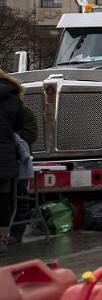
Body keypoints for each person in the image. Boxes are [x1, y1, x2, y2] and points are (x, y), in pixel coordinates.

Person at [0, 71, 25, 254]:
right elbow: (18, 126)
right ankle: (3, 238)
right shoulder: (13, 97)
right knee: (3, 199)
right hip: (5, 156)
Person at [8, 102, 37, 245]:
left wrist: (10, 137)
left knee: (20, 197)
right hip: (7, 160)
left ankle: (16, 233)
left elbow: (31, 135)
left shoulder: (25, 112)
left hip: (19, 161)